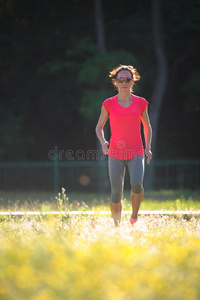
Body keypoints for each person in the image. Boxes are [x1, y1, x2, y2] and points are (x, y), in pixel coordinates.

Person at [95, 65, 152, 226]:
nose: (124, 82)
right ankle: (117, 226)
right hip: (115, 153)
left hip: (136, 151)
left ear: (132, 81)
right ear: (116, 82)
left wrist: (148, 147)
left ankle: (134, 216)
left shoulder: (141, 103)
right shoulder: (109, 103)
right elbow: (98, 128)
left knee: (136, 183)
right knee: (115, 194)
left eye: (128, 79)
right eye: (121, 79)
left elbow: (147, 126)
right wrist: (103, 143)